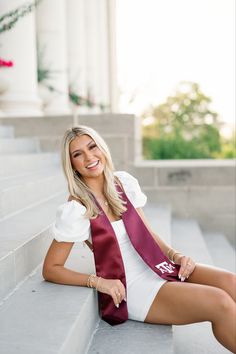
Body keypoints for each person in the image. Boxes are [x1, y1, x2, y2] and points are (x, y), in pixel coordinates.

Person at [42, 126, 236, 353]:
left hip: (156, 264)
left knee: (231, 282)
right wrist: (98, 282)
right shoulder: (77, 208)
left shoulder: (122, 184)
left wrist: (176, 255)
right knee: (219, 303)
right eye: (78, 154)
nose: (89, 157)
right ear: (72, 165)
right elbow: (51, 268)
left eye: (92, 147)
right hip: (134, 284)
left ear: (102, 148)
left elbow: (147, 232)